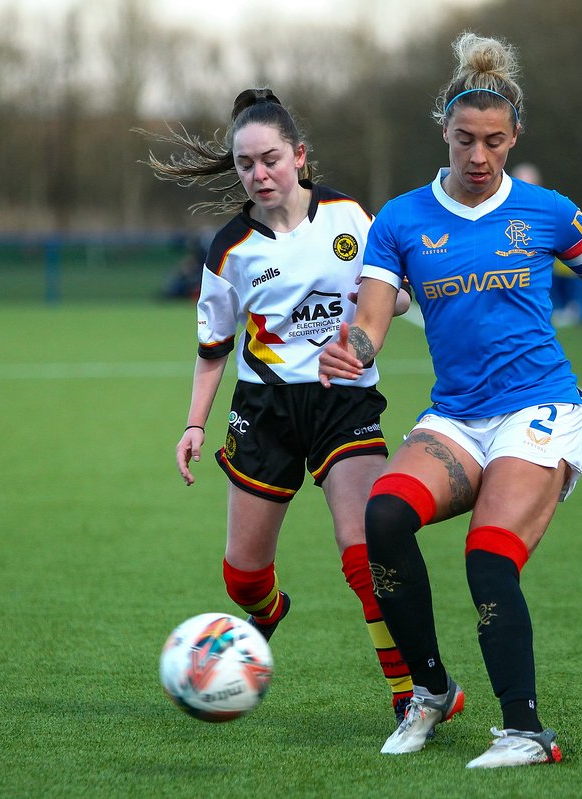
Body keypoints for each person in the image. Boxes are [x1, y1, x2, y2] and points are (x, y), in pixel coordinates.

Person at [317, 33, 582, 769]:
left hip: (538, 407)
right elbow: (375, 316)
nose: (479, 157)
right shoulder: (402, 219)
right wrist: (356, 344)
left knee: (488, 556)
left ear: (514, 139)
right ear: (443, 131)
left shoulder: (547, 212)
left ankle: (526, 730)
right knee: (383, 516)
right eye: (466, 139)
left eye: (494, 142)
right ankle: (433, 689)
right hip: (457, 414)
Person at [144, 88, 416, 724]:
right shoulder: (229, 250)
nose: (259, 174)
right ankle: (267, 614)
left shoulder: (351, 217)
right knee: (241, 576)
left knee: (363, 548)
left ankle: (410, 695)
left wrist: (375, 318)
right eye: (245, 164)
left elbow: (395, 297)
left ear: (298, 155)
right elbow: (212, 350)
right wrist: (192, 425)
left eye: (270, 159)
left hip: (342, 401)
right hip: (263, 410)